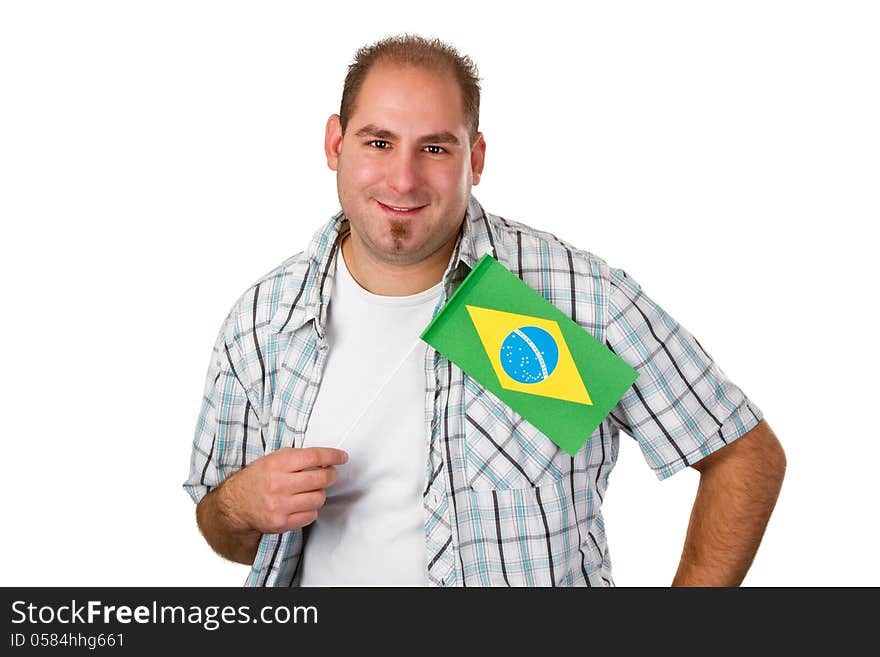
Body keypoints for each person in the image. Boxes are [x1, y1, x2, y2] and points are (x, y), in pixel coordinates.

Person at [183, 34, 786, 587]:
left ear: (475, 158)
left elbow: (741, 454)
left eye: (435, 148)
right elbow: (224, 529)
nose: (404, 178)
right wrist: (240, 504)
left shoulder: (565, 298)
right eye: (378, 142)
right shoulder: (264, 321)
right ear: (336, 143)